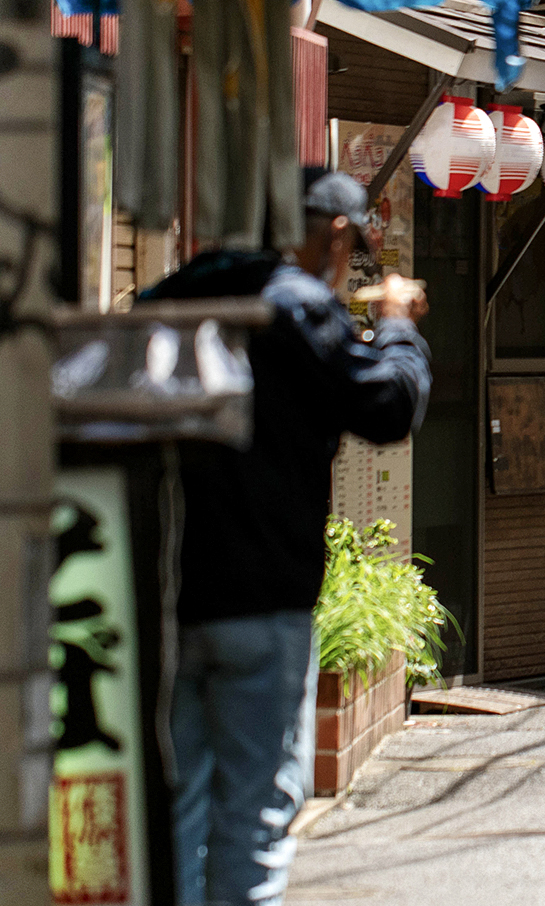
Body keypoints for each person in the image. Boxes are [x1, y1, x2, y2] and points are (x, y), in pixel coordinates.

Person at [141, 169, 431, 905]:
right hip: (263, 597)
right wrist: (397, 326)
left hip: (166, 599)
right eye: (350, 244)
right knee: (258, 811)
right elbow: (387, 404)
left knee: (179, 803)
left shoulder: (177, 291)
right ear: (335, 232)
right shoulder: (297, 306)